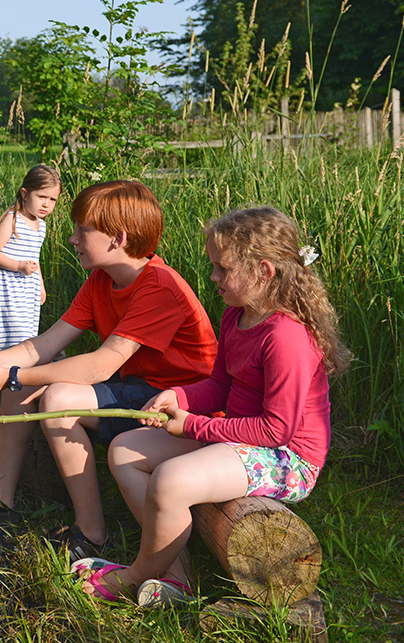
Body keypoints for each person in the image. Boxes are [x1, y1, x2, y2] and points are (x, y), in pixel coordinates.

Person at [74, 206, 349, 607]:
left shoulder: (285, 338)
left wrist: (192, 426)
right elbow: (220, 384)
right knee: (125, 450)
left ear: (263, 271)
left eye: (222, 268)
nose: (213, 277)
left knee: (171, 480)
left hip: (287, 458)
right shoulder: (237, 314)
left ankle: (134, 576)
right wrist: (180, 398)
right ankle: (176, 575)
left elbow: (277, 431)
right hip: (244, 437)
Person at [0, 180, 216, 560]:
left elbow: (102, 363)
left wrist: (13, 375)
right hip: (137, 386)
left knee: (54, 394)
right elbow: (43, 344)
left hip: (179, 402)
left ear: (118, 238)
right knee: (20, 377)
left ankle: (91, 531)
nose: (72, 238)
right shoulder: (101, 280)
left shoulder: (159, 285)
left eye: (83, 229)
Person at [0, 164, 61, 356]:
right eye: (41, 197)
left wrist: (40, 283)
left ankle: (17, 370)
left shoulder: (41, 226)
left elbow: (35, 257)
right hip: (8, 288)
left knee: (26, 334)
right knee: (10, 334)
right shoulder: (13, 219)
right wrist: (18, 266)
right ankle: (2, 368)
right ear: (25, 194)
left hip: (27, 289)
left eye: (52, 200)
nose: (46, 205)